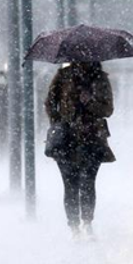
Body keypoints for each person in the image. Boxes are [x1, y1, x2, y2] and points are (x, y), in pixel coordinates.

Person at [45, 62, 115, 239]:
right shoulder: (63, 76)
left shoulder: (101, 78)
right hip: (66, 140)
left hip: (92, 138)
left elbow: (108, 109)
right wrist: (59, 122)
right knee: (70, 184)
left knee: (88, 183)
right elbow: (50, 103)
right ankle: (74, 226)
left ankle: (87, 222)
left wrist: (90, 102)